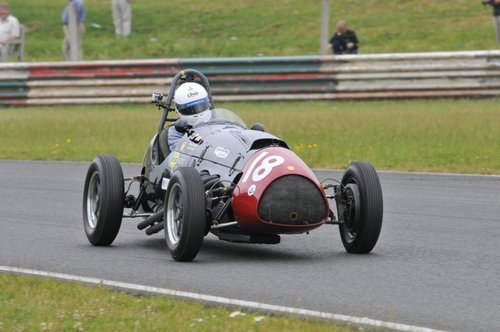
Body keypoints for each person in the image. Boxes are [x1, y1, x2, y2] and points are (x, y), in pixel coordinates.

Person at [167, 82, 213, 151]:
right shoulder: (176, 130)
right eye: (189, 110)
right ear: (178, 110)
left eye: (201, 106)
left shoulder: (216, 122)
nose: (197, 112)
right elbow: (176, 151)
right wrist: (193, 144)